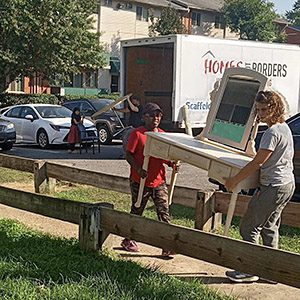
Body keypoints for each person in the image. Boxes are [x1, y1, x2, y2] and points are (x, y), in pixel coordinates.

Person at [224, 90, 295, 283]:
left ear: (275, 107)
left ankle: (249, 270)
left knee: (249, 228)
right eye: (258, 110)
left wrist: (234, 180)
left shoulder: (272, 132)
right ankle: (270, 271)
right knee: (269, 227)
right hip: (286, 184)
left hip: (273, 186)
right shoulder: (284, 127)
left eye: (264, 109)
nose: (261, 114)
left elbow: (258, 163)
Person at [121, 102, 177, 257]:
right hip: (140, 181)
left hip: (158, 181)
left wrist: (172, 164)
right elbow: (129, 155)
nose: (156, 118)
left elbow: (165, 156)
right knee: (137, 210)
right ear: (144, 117)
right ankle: (128, 239)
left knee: (164, 212)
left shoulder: (162, 134)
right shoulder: (137, 134)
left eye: (158, 115)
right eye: (152, 115)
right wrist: (138, 169)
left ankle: (167, 245)